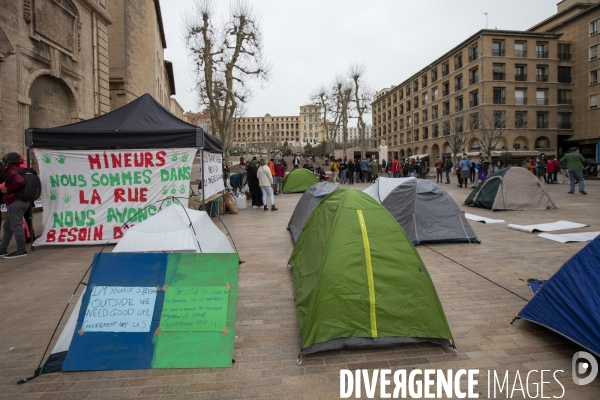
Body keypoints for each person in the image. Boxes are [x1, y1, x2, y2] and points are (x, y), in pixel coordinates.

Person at [0, 153, 29, 258]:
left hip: (15, 202)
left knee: (16, 226)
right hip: (21, 201)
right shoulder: (21, 170)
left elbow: (19, 181)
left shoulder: (12, 170)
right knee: (8, 226)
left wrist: (7, 189)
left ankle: (21, 250)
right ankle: (2, 249)